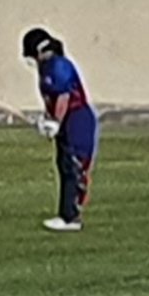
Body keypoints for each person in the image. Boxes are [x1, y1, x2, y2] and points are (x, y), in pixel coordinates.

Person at [22, 27, 98, 232]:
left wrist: (56, 121)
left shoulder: (59, 66)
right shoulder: (44, 70)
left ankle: (71, 217)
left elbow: (63, 98)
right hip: (66, 121)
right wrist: (46, 121)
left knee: (75, 165)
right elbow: (51, 100)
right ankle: (66, 214)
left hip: (78, 119)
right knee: (64, 164)